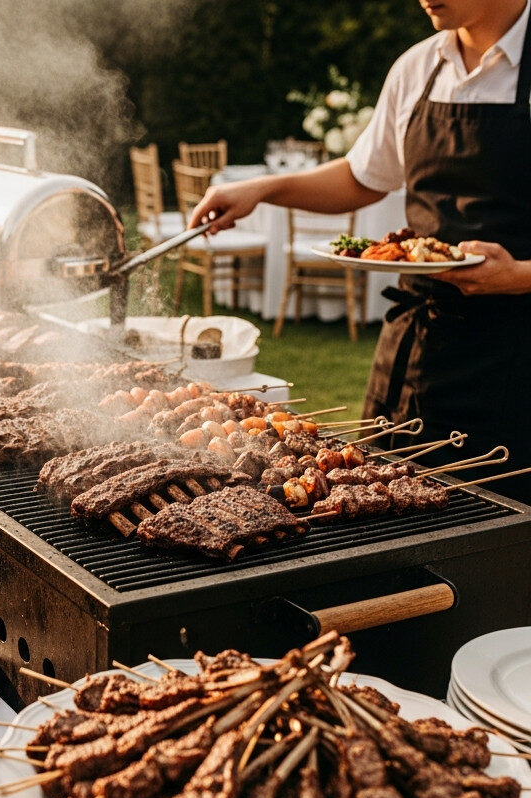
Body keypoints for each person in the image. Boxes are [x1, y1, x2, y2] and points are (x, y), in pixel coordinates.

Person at [190, 0, 531, 503]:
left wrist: (520, 275)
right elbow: (361, 177)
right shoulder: (418, 66)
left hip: (516, 359)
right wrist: (264, 189)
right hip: (417, 350)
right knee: (379, 508)